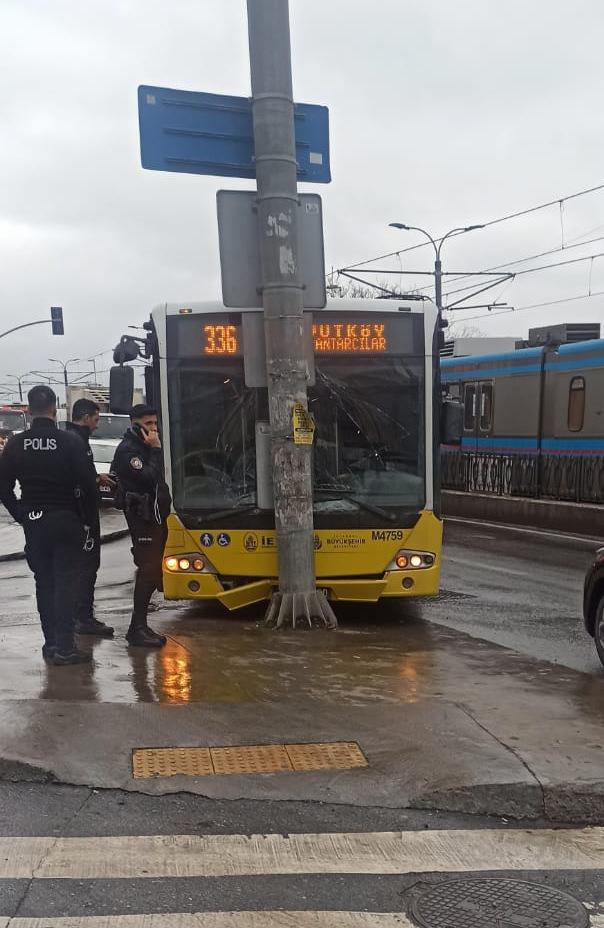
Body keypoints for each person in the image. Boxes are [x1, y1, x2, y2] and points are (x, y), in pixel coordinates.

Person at [0, 385, 98, 665]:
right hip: (65, 520)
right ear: (55, 409)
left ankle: (51, 643)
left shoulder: (16, 445)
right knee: (65, 583)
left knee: (44, 583)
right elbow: (88, 486)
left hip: (35, 522)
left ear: (30, 410)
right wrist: (86, 521)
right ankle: (66, 648)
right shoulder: (70, 442)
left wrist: (22, 515)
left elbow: (4, 489)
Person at [111, 404, 171, 647]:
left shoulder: (143, 447)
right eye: (148, 424)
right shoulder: (129, 451)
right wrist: (155, 450)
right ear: (135, 425)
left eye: (155, 423)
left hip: (154, 515)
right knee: (148, 570)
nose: (154, 429)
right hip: (142, 517)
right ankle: (137, 628)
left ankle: (140, 625)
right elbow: (149, 477)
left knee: (152, 570)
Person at [66, 398, 115, 638]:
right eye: (95, 419)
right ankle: (83, 618)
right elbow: (81, 480)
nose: (97, 425)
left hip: (74, 514)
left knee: (78, 568)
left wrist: (97, 478)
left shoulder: (71, 438)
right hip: (83, 517)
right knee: (87, 567)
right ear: (85, 418)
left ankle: (76, 616)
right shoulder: (78, 441)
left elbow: (80, 474)